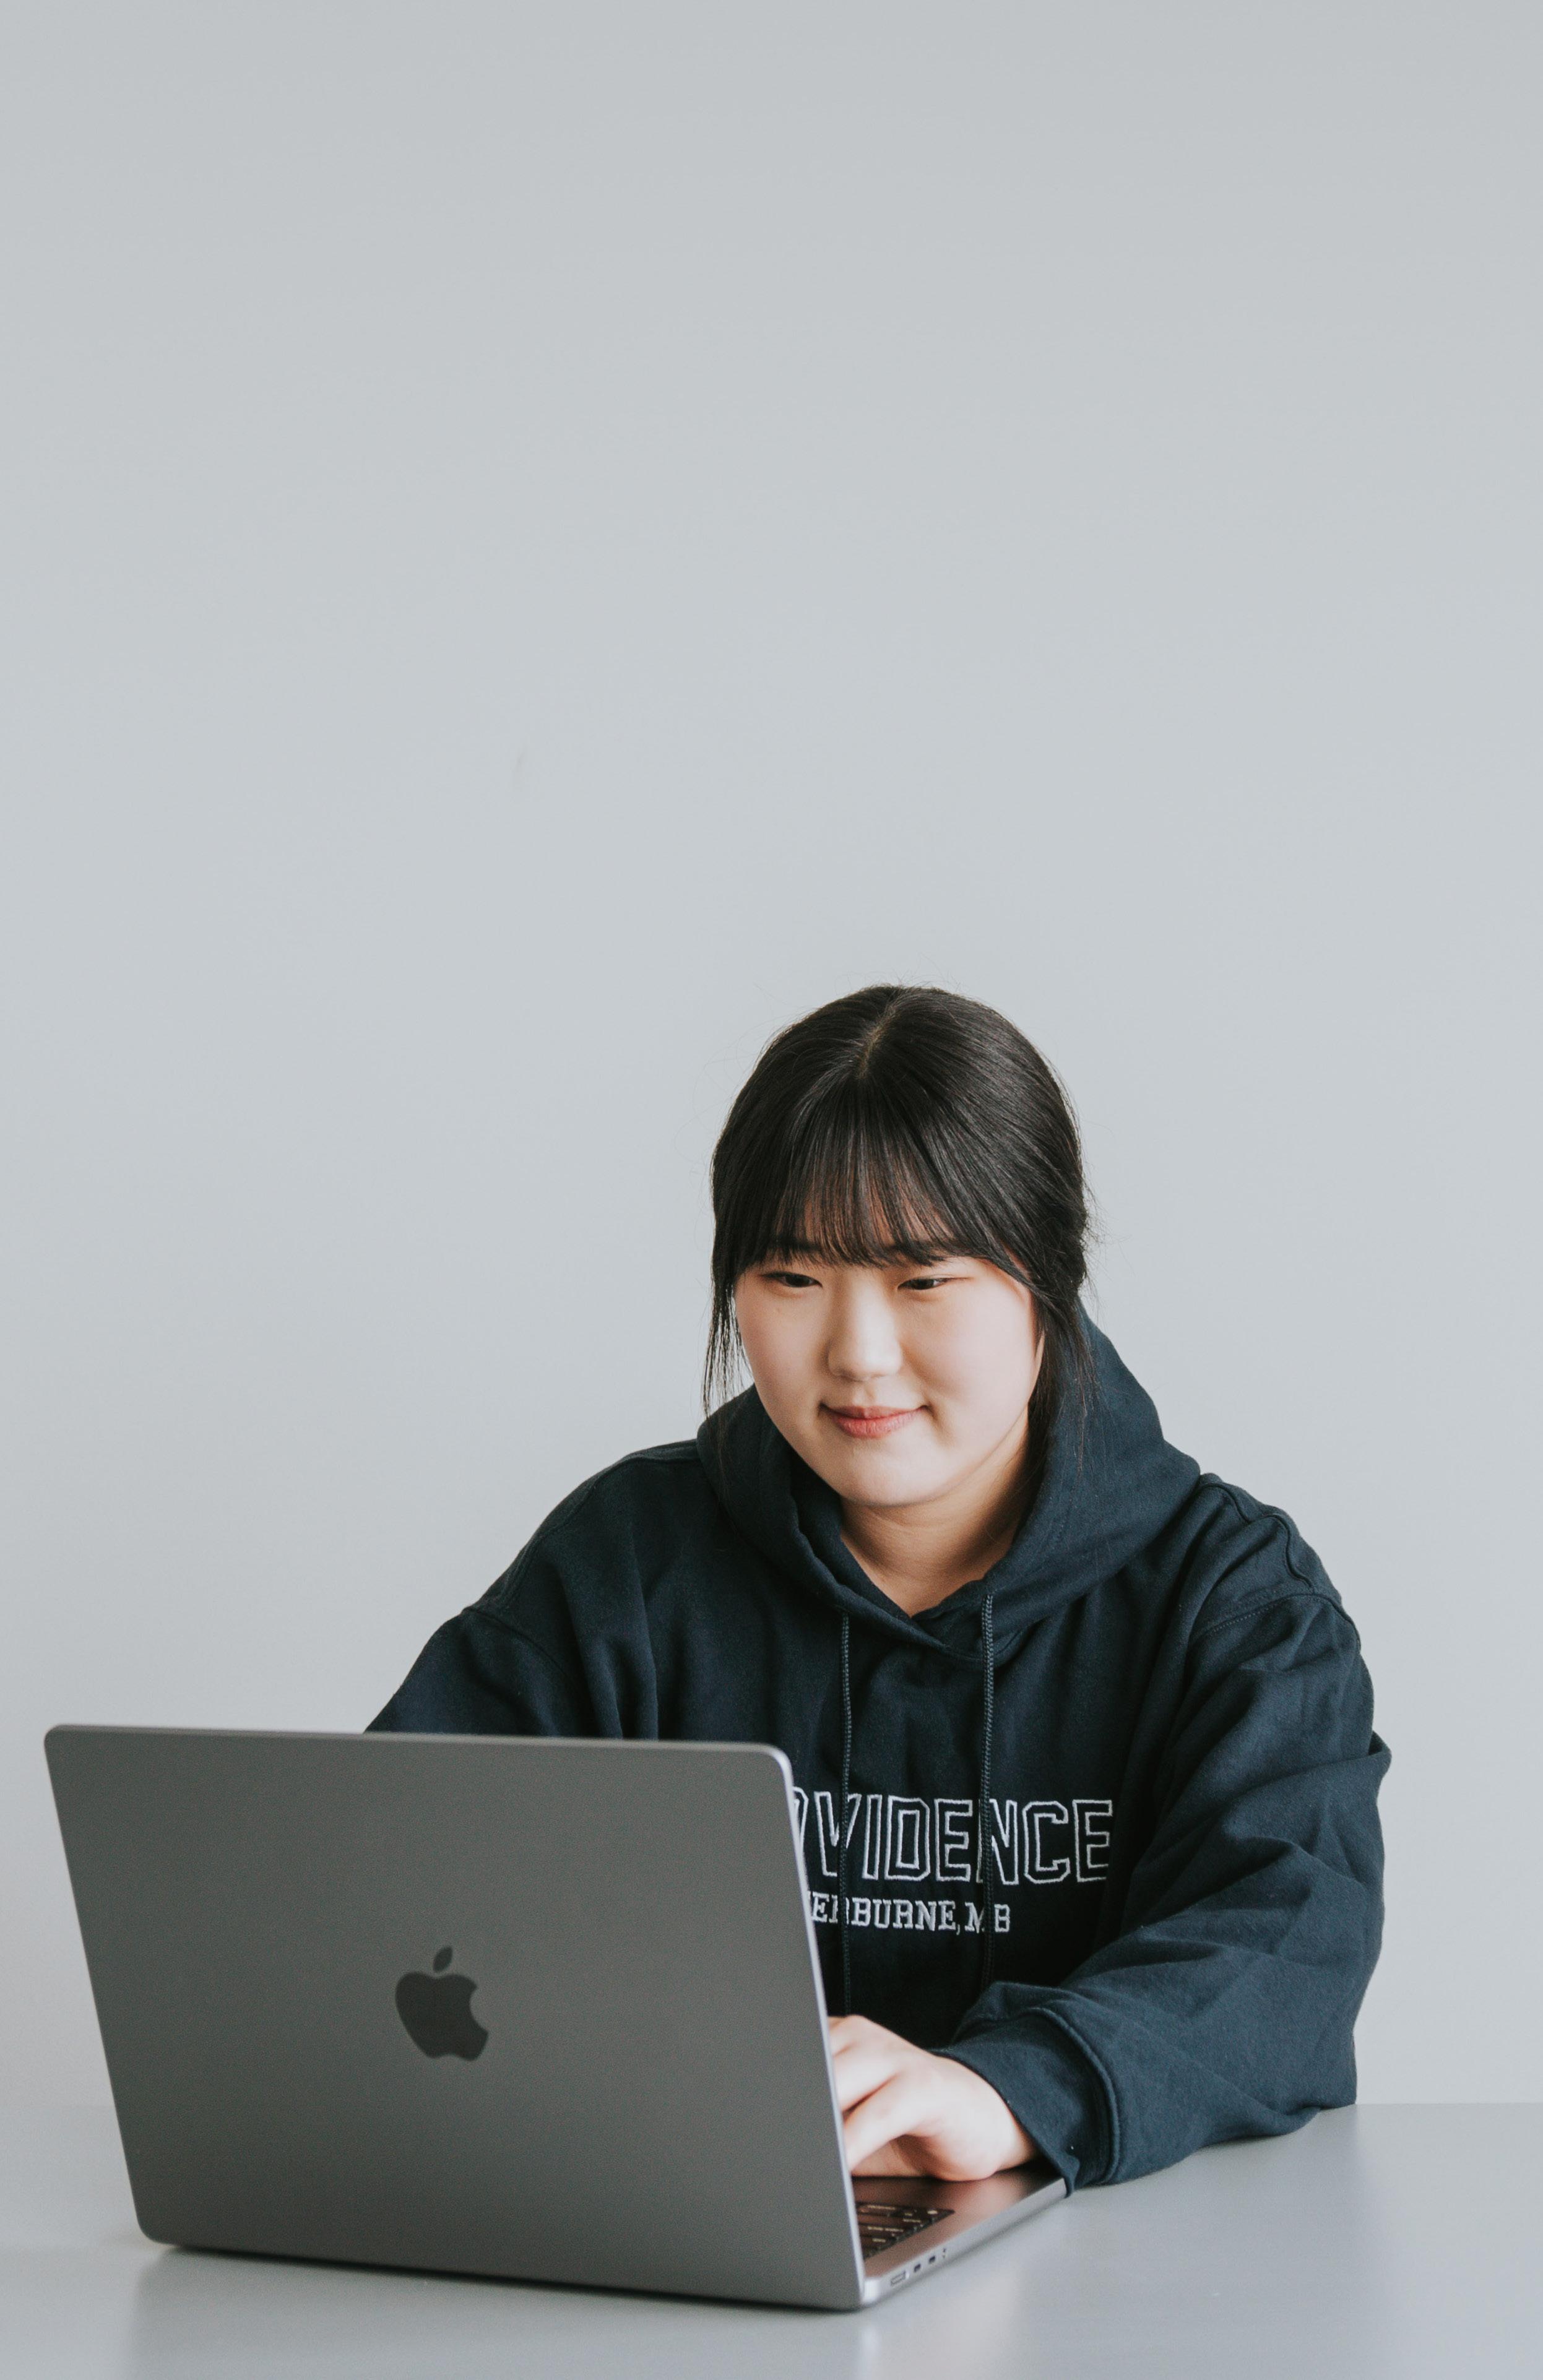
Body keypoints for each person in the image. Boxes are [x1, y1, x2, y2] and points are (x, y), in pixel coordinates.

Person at [371, 985, 1388, 2192]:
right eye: (792, 1277)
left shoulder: (1232, 1603)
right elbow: (390, 1873)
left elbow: (1281, 1948)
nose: (856, 1353)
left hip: (1120, 2249)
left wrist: (1011, 2091)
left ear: (1046, 1281)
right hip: (693, 2222)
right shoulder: (625, 1566)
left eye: (923, 1279)